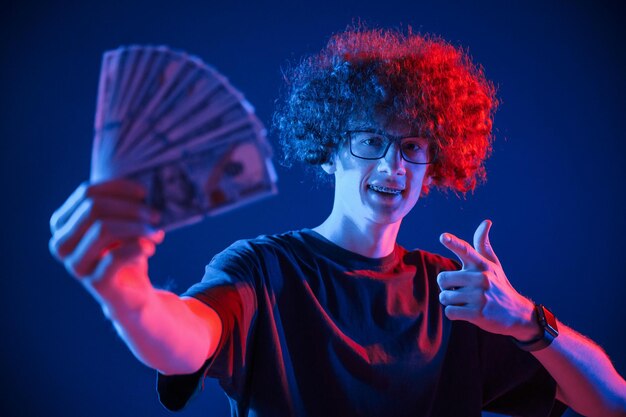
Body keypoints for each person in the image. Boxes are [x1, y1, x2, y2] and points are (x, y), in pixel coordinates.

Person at [48, 27, 626, 416]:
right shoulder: (263, 270)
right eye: (371, 141)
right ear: (328, 151)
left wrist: (526, 319)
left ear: (437, 163)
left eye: (412, 146)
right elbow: (186, 342)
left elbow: (611, 403)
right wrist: (124, 293)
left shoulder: (458, 294)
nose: (392, 166)